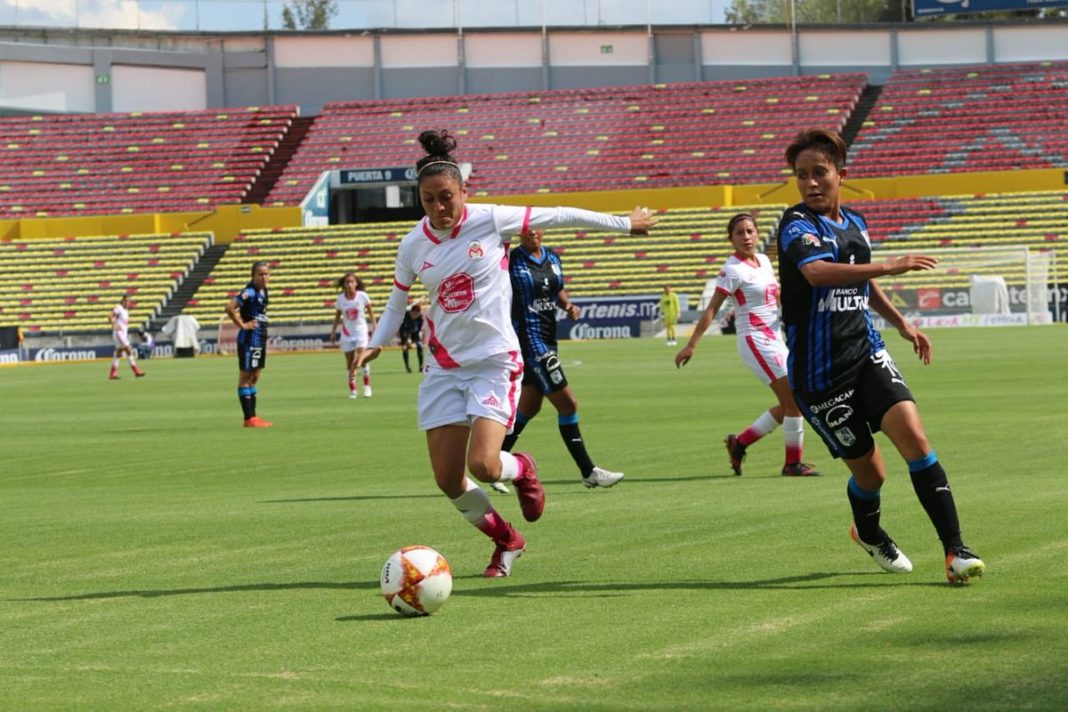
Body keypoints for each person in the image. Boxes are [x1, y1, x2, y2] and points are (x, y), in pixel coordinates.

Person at [355, 129, 657, 578]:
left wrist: (624, 223)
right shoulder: (412, 244)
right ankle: (507, 540)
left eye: (446, 197)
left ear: (463, 191)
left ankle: (524, 467)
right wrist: (376, 341)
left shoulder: (490, 219)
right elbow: (397, 302)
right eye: (428, 200)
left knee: (484, 463)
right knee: (446, 478)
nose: (439, 208)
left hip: (495, 361)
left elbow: (560, 215)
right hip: (443, 367)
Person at [777, 127, 984, 584]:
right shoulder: (795, 224)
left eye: (819, 173)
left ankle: (955, 551)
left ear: (841, 175)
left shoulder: (856, 222)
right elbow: (816, 273)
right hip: (820, 375)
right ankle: (869, 533)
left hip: (867, 353)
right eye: (801, 175)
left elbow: (861, 283)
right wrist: (891, 264)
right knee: (872, 474)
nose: (810, 183)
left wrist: (901, 322)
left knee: (916, 439)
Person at [674, 213, 819, 478]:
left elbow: (774, 297)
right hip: (755, 340)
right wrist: (691, 345)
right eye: (739, 233)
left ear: (757, 233)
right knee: (794, 401)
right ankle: (792, 464)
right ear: (731, 239)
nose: (746, 237)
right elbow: (712, 309)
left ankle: (740, 443)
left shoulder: (763, 260)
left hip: (775, 337)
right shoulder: (732, 269)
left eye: (750, 231)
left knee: (792, 401)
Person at [503, 228, 624, 489]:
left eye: (536, 226)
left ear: (543, 230)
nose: (532, 232)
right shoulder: (511, 260)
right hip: (528, 341)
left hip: (549, 339)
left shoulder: (554, 258)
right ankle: (588, 471)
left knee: (529, 407)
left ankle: (494, 461)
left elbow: (555, 290)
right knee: (568, 404)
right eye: (526, 228)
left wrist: (567, 306)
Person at [225, 261, 272, 428]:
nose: (264, 277)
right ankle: (249, 418)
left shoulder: (264, 291)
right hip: (249, 339)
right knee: (245, 378)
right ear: (253, 276)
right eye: (260, 274)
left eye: (266, 273)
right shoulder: (249, 292)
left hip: (259, 339)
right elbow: (230, 307)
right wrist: (243, 325)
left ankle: (254, 417)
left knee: (254, 378)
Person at [329, 271, 377, 398]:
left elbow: (371, 312)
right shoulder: (340, 299)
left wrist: (375, 327)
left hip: (361, 330)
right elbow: (337, 316)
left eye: (352, 282)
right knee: (350, 362)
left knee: (362, 358)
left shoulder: (362, 296)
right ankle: (353, 390)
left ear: (356, 283)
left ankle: (367, 386)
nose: (349, 284)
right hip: (347, 333)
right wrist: (333, 332)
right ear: (344, 285)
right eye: (347, 282)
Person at [108, 295, 145, 379]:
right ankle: (136, 370)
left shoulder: (126, 310)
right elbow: (110, 316)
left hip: (122, 334)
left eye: (129, 301)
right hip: (119, 334)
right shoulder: (119, 308)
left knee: (119, 353)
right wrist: (114, 324)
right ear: (123, 301)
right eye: (127, 301)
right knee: (128, 349)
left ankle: (112, 373)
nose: (128, 302)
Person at [399, 300, 425, 373]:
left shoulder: (420, 317)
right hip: (405, 332)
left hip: (415, 333)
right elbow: (403, 329)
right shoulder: (405, 316)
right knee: (405, 348)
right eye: (415, 313)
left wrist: (415, 340)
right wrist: (407, 340)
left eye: (418, 314)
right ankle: (407, 367)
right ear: (411, 312)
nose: (416, 315)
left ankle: (421, 366)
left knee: (419, 346)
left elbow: (418, 329)